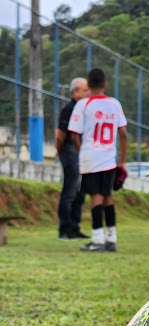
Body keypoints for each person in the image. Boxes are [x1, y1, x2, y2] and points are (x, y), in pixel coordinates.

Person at [68, 67, 127, 253]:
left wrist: (82, 151)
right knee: (108, 197)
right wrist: (122, 161)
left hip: (91, 158)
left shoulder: (83, 105)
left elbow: (74, 135)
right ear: (105, 84)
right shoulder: (115, 104)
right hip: (109, 158)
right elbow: (123, 133)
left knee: (96, 198)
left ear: (89, 84)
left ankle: (97, 240)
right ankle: (112, 238)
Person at [55, 77, 89, 240]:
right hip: (69, 150)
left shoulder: (85, 109)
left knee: (80, 191)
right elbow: (60, 134)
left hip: (81, 152)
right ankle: (65, 229)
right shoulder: (69, 109)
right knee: (69, 190)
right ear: (75, 92)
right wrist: (59, 152)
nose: (88, 93)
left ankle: (75, 228)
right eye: (84, 90)